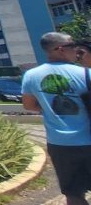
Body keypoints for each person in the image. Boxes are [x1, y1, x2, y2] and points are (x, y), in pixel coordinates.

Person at [22, 32, 91, 205]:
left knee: (73, 194)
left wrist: (49, 107)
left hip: (60, 144)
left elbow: (29, 106)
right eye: (72, 46)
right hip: (88, 139)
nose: (76, 50)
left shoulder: (31, 75)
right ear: (60, 49)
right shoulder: (86, 73)